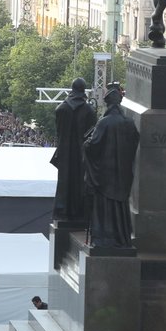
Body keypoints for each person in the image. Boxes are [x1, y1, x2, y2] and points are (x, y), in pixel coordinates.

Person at [82, 82, 139, 248]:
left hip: (106, 174)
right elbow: (135, 142)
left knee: (105, 207)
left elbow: (93, 146)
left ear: (108, 103)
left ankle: (105, 239)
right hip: (123, 172)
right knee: (121, 206)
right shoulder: (129, 122)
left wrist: (86, 144)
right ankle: (122, 238)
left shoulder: (104, 123)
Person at [50, 77, 96, 226]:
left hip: (65, 153)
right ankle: (80, 211)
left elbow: (59, 132)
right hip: (82, 155)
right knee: (80, 183)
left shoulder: (61, 109)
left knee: (65, 182)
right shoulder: (89, 110)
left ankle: (63, 211)